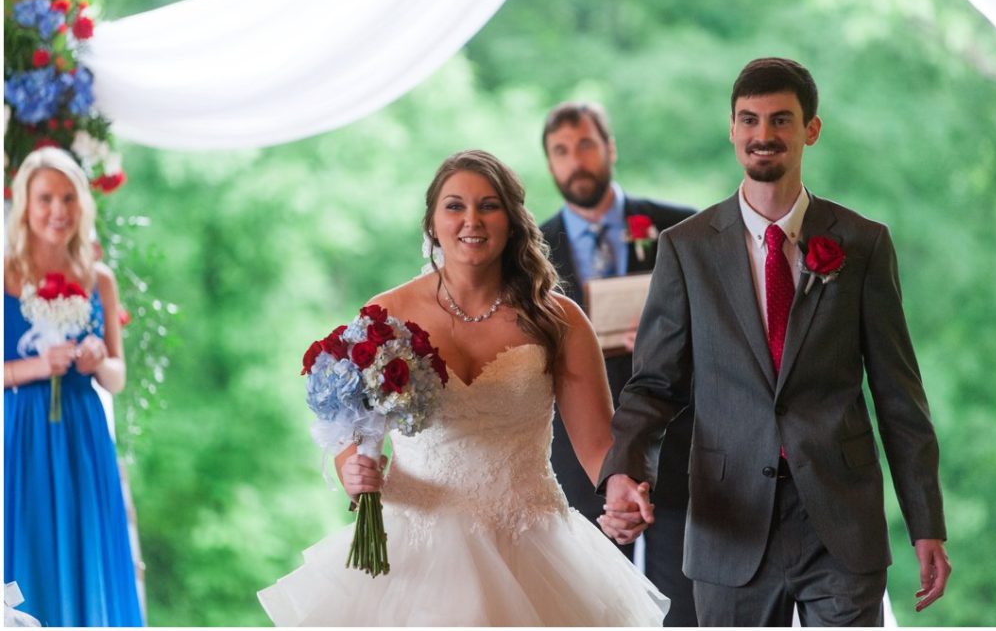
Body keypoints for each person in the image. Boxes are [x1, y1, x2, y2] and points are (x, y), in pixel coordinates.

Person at [598, 58, 951, 626]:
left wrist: (927, 523)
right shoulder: (686, 248)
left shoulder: (862, 244)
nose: (764, 135)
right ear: (733, 129)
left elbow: (898, 396)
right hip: (727, 518)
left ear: (811, 129)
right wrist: (623, 471)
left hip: (840, 519)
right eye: (750, 120)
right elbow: (653, 386)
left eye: (781, 120)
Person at [258, 150, 668, 626]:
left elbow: (599, 444)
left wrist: (622, 488)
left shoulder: (559, 320)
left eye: (488, 205)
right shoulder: (385, 317)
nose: (471, 220)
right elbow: (349, 428)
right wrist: (352, 469)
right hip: (413, 556)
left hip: (533, 544)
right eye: (454, 206)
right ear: (432, 223)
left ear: (512, 220)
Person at [538, 101, 698, 625]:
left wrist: (669, 338)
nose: (575, 160)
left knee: (685, 609)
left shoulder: (680, 229)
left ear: (609, 148)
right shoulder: (530, 250)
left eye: (585, 144)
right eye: (560, 151)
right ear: (549, 164)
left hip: (676, 451)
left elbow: (724, 332)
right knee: (595, 612)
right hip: (578, 463)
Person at [4, 147, 143, 626]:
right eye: (46, 198)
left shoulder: (98, 277)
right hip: (18, 434)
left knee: (85, 548)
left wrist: (98, 360)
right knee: (28, 543)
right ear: (25, 203)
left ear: (82, 204)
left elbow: (118, 378)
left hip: (82, 431)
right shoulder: (4, 273)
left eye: (68, 198)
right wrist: (37, 367)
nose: (58, 211)